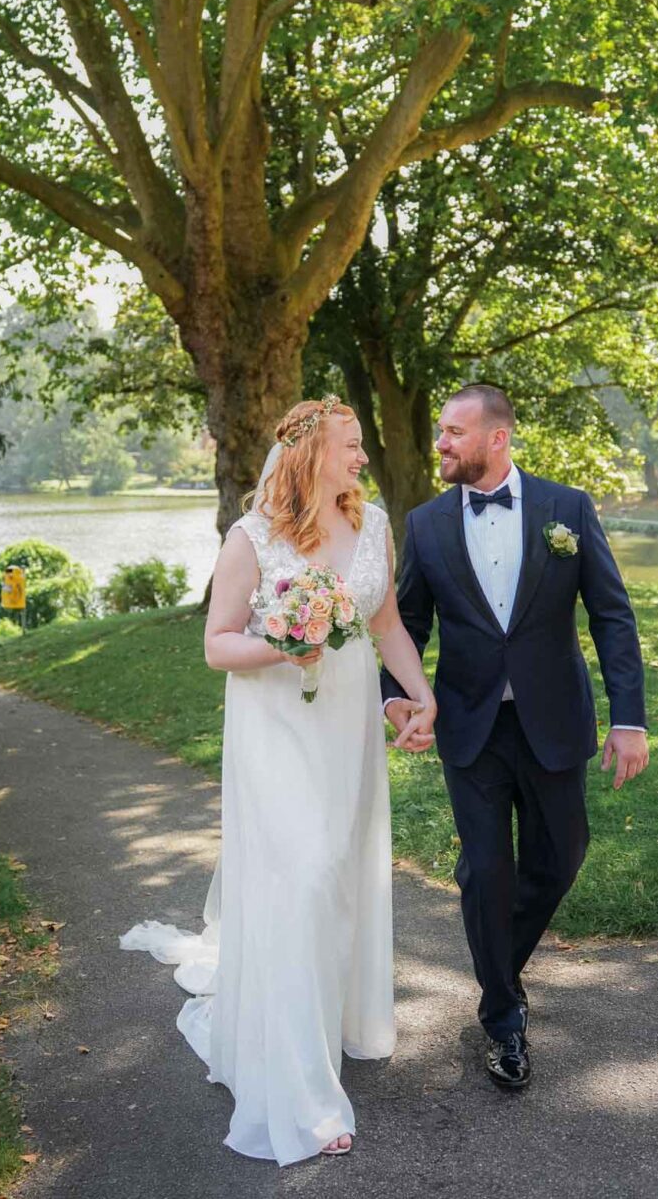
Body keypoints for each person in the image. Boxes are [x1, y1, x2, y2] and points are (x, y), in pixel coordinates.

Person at [121, 396, 436, 1164]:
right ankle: (299, 1090)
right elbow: (218, 645)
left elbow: (387, 621)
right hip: (276, 731)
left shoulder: (374, 525)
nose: (363, 456)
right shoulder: (252, 536)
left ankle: (333, 1023)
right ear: (308, 453)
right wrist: (285, 643)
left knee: (338, 877)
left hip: (347, 723)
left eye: (362, 444)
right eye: (352, 444)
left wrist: (419, 695)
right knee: (303, 876)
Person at [382, 383, 648, 1090]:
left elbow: (612, 617)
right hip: (469, 725)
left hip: (554, 719)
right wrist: (397, 697)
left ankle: (496, 949)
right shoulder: (428, 523)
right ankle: (502, 1014)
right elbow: (406, 621)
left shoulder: (568, 509)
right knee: (489, 867)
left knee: (560, 857)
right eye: (439, 431)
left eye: (453, 432)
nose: (440, 443)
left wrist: (629, 719)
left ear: (497, 438)